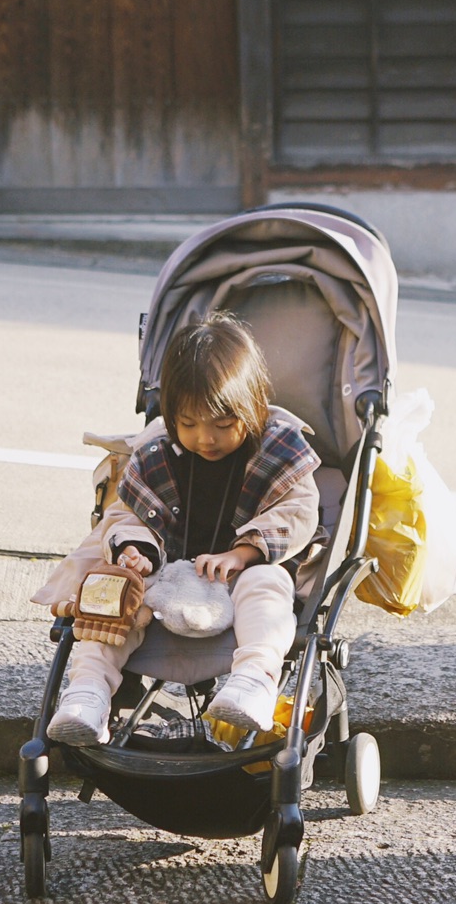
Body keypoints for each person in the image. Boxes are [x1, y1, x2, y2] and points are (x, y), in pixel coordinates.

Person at [36, 312, 321, 743]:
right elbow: (126, 514)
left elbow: (299, 512)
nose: (205, 438)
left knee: (269, 584)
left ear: (253, 408)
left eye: (222, 425)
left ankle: (253, 681)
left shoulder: (278, 450)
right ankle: (88, 694)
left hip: (239, 578)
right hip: (165, 577)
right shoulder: (156, 453)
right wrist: (136, 551)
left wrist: (243, 553)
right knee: (113, 593)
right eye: (188, 424)